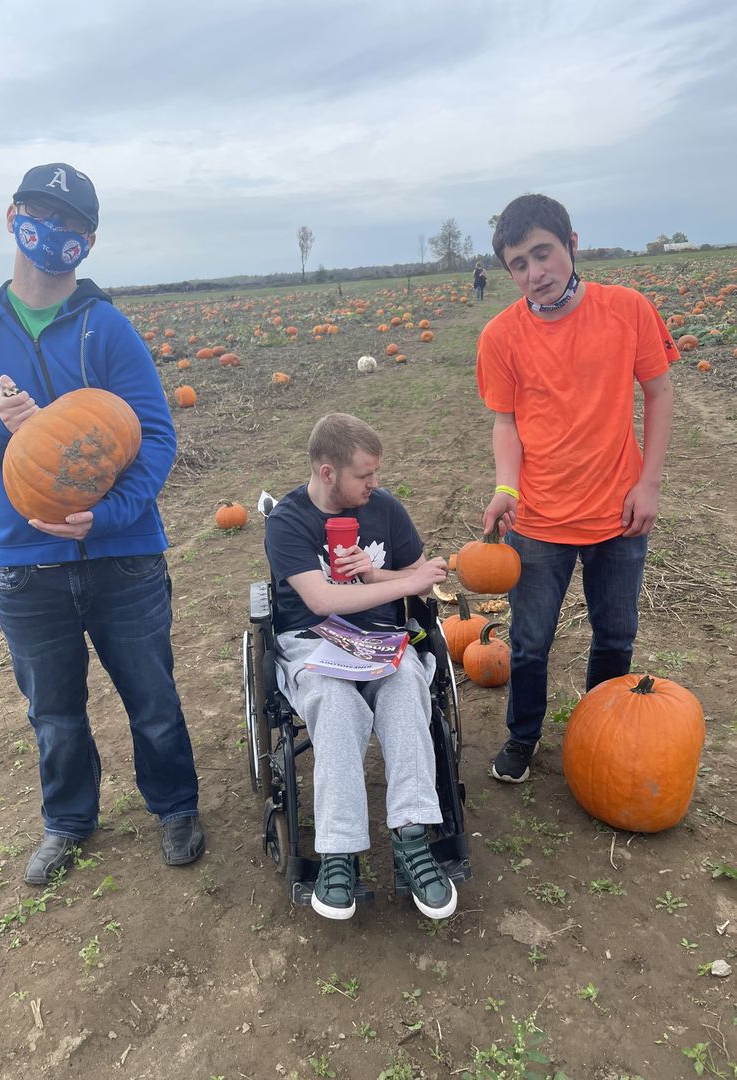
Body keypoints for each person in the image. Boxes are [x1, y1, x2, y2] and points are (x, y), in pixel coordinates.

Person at [0, 163, 204, 885]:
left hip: (124, 555)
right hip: (25, 564)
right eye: (43, 214)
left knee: (152, 697)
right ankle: (69, 821)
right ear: (12, 216)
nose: (56, 232)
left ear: (90, 242)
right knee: (53, 712)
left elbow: (155, 435)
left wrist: (106, 516)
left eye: (73, 224)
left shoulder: (106, 327)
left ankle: (175, 805)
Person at [476, 193, 678, 783]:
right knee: (529, 641)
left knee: (615, 635)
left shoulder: (627, 310)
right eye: (518, 264)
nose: (534, 273)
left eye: (543, 254)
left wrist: (649, 483)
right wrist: (507, 488)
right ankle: (524, 736)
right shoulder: (501, 336)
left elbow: (660, 393)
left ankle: (600, 735)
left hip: (619, 512)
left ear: (571, 244)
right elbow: (507, 422)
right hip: (539, 520)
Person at [264, 413, 457, 921]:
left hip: (380, 638)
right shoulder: (287, 521)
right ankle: (339, 850)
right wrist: (404, 583)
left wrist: (376, 574)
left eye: (376, 474)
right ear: (328, 472)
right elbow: (322, 599)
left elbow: (417, 573)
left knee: (407, 685)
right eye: (364, 475)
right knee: (335, 703)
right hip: (313, 640)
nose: (375, 483)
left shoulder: (385, 507)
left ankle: (412, 835)